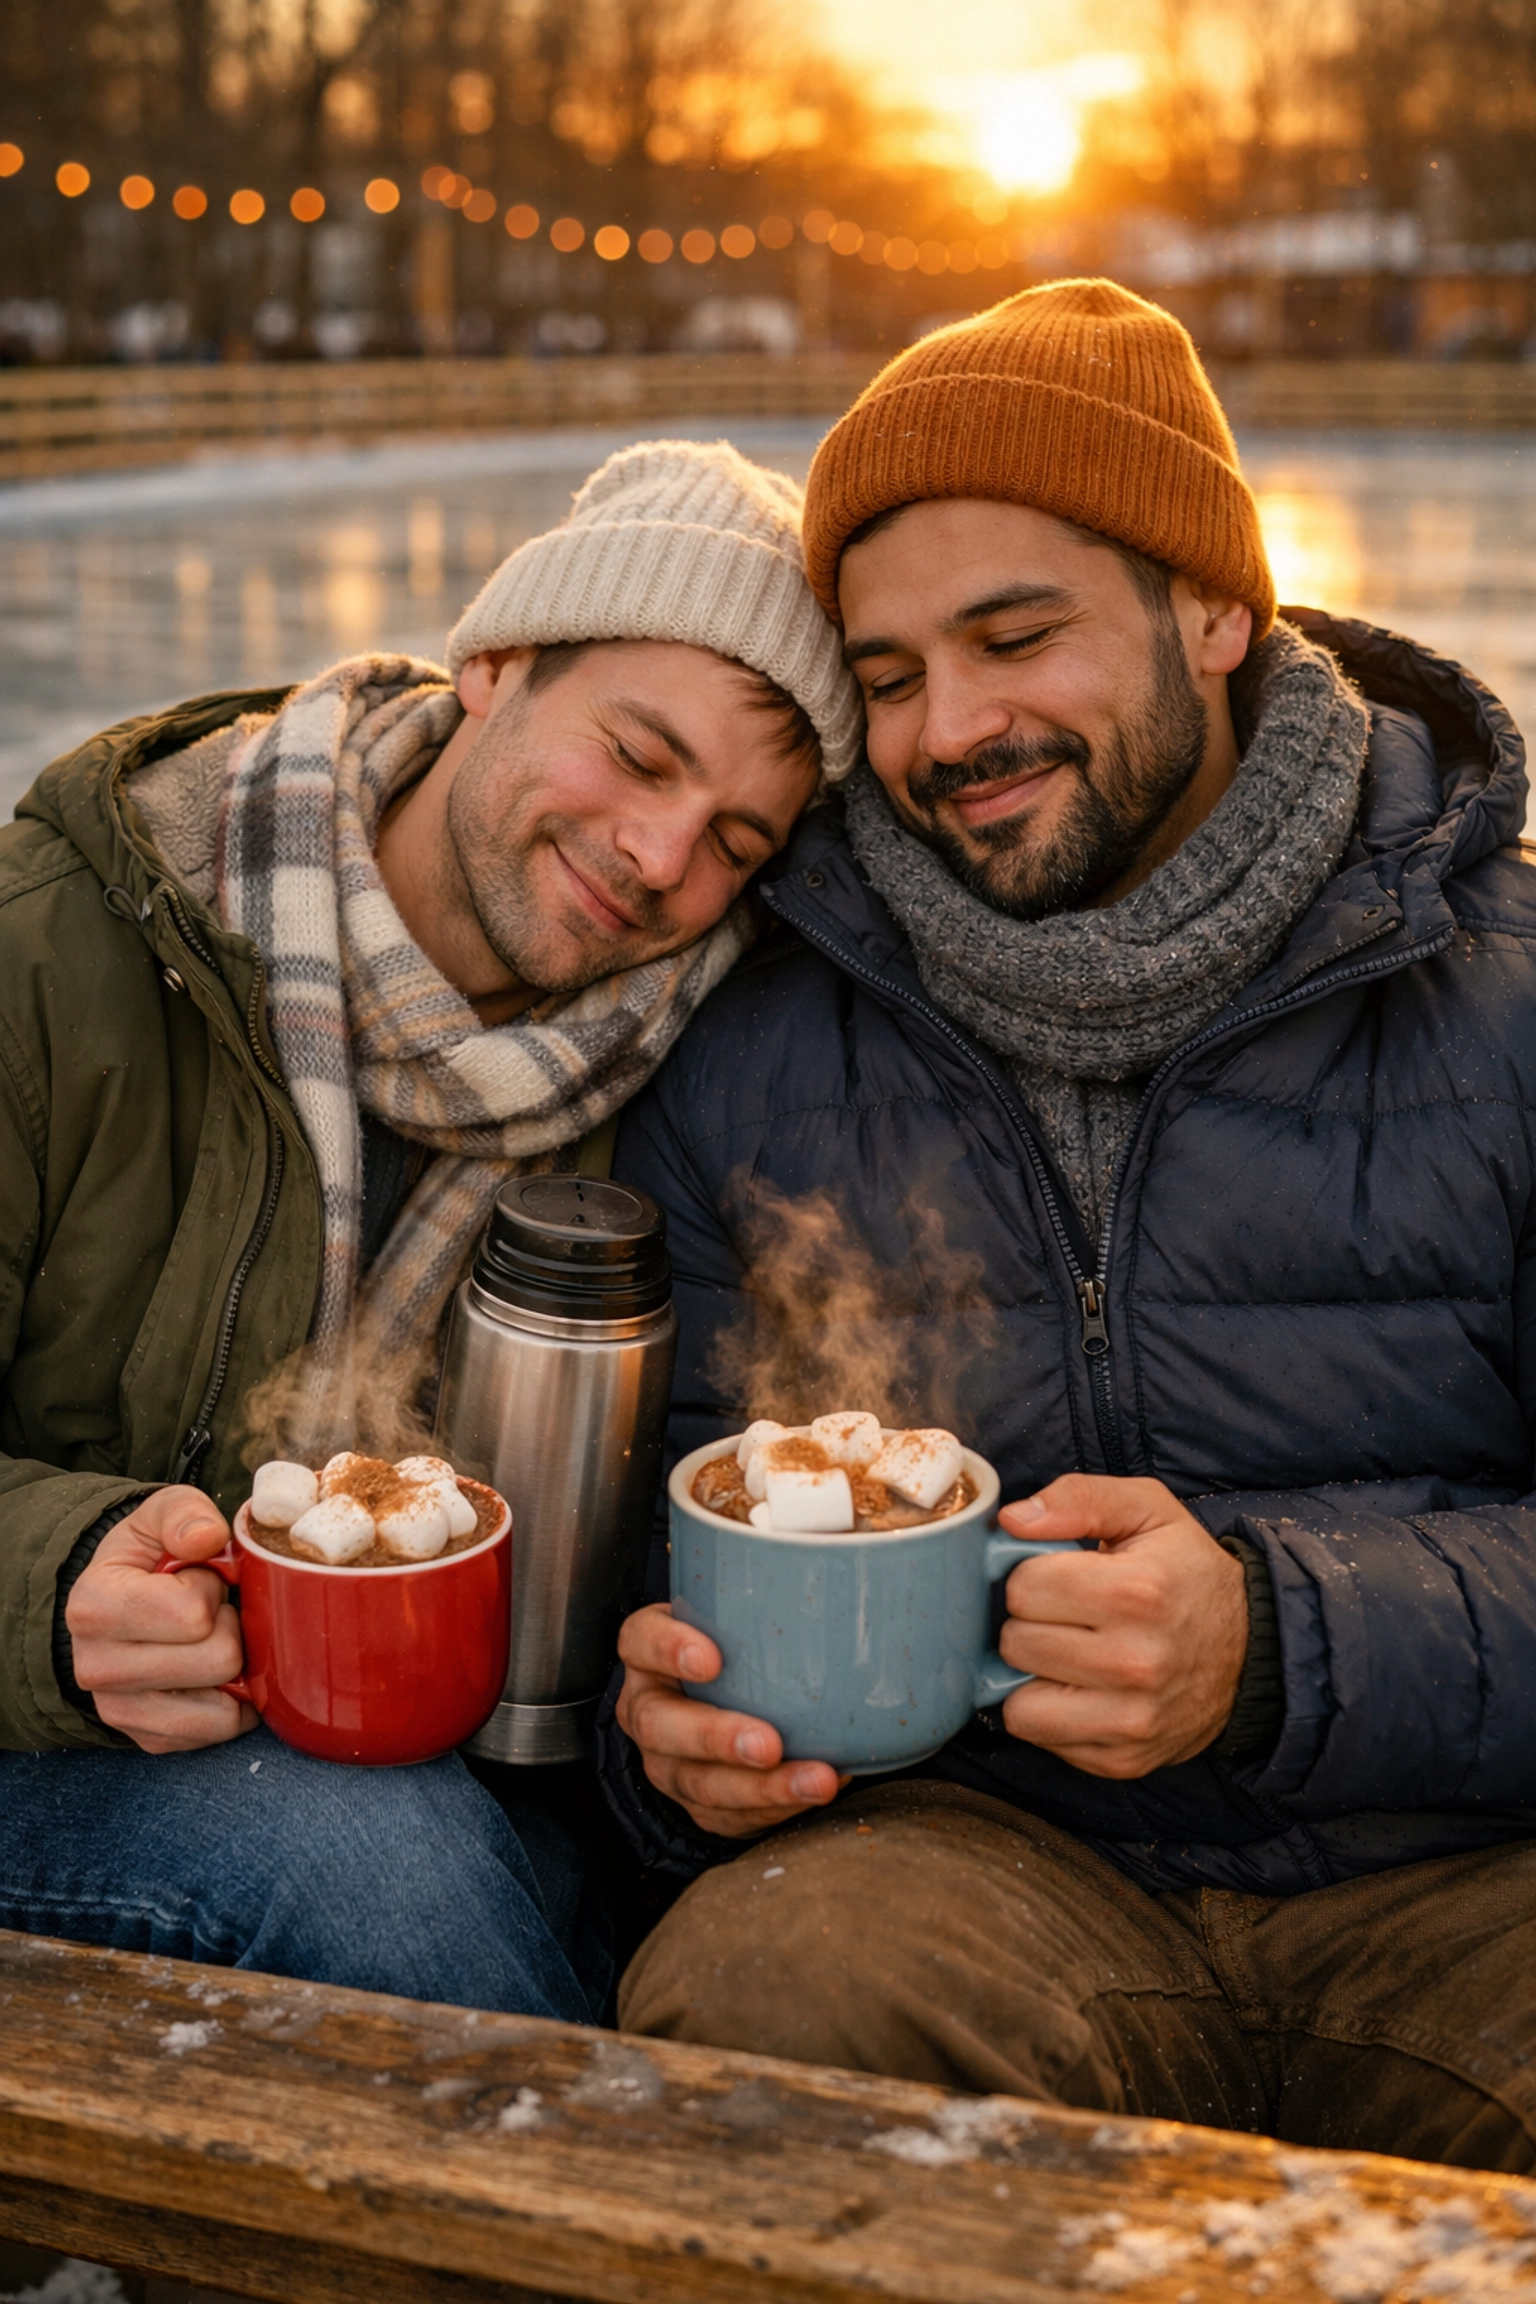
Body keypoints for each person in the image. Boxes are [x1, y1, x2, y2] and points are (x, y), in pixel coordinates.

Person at [602, 284, 1536, 2172]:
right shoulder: (752, 1043)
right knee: (760, 2014)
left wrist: (1275, 1644)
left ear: (1211, 608)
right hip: (983, 1876)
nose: (951, 729)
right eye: (886, 674)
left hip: (1470, 1884)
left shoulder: (1509, 999)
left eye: (1015, 635)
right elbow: (680, 1546)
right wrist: (676, 1751)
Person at [0, 438, 858, 2019]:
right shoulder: (71, 944)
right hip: (61, 1743)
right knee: (377, 1864)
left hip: (482, 1766)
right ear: (497, 663)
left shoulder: (685, 1060)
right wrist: (54, 1602)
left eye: (738, 839)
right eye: (642, 753)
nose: (663, 861)